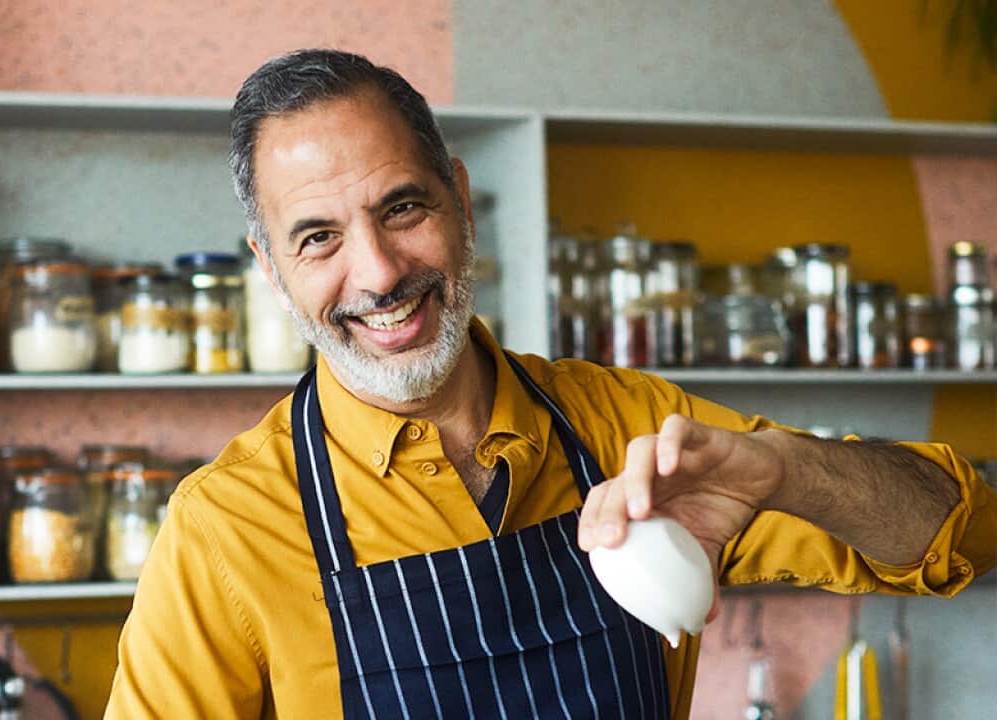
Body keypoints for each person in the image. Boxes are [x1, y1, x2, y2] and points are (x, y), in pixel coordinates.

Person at [105, 49, 997, 719]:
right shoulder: (224, 529)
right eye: (318, 238)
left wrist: (785, 469)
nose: (377, 272)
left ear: (459, 201)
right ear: (270, 269)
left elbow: (969, 536)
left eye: (402, 207)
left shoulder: (633, 427)